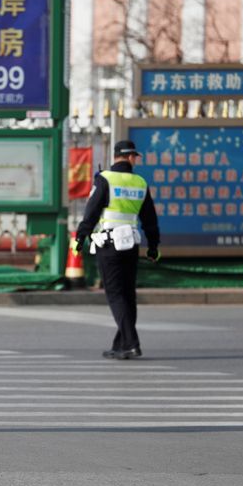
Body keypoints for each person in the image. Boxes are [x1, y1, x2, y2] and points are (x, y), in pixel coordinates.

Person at [75, 140, 160, 360]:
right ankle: (121, 343)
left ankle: (131, 344)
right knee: (128, 295)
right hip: (131, 245)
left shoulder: (105, 179)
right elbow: (150, 219)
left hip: (109, 245)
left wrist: (80, 237)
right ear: (132, 157)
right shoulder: (140, 183)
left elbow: (91, 211)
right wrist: (153, 246)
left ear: (115, 157)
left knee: (115, 294)